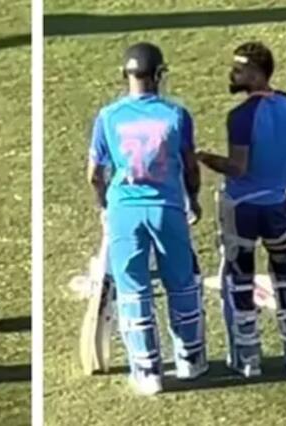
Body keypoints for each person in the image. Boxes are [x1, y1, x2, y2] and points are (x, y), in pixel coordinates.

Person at [87, 42, 206, 395]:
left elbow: (94, 173)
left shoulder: (108, 116)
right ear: (157, 74)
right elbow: (190, 166)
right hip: (167, 208)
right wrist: (193, 200)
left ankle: (147, 370)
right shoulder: (176, 114)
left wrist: (104, 206)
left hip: (125, 210)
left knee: (133, 290)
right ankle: (190, 360)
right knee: (181, 284)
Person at [197, 42, 286, 377]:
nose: (232, 74)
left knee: (238, 274)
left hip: (242, 208)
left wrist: (205, 158)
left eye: (239, 69)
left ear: (258, 74)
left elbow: (238, 167)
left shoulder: (241, 116)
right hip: (278, 205)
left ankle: (247, 358)